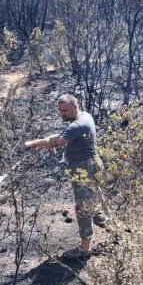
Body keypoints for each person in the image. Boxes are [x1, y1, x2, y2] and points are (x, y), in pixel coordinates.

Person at [24, 94, 106, 253]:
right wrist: (41, 141)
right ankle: (115, 229)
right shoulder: (83, 116)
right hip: (92, 164)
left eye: (65, 110)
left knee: (83, 207)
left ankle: (84, 249)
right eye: (60, 111)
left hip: (84, 168)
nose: (62, 114)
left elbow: (56, 142)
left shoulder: (77, 125)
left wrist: (33, 144)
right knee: (94, 201)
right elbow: (60, 136)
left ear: (74, 107)